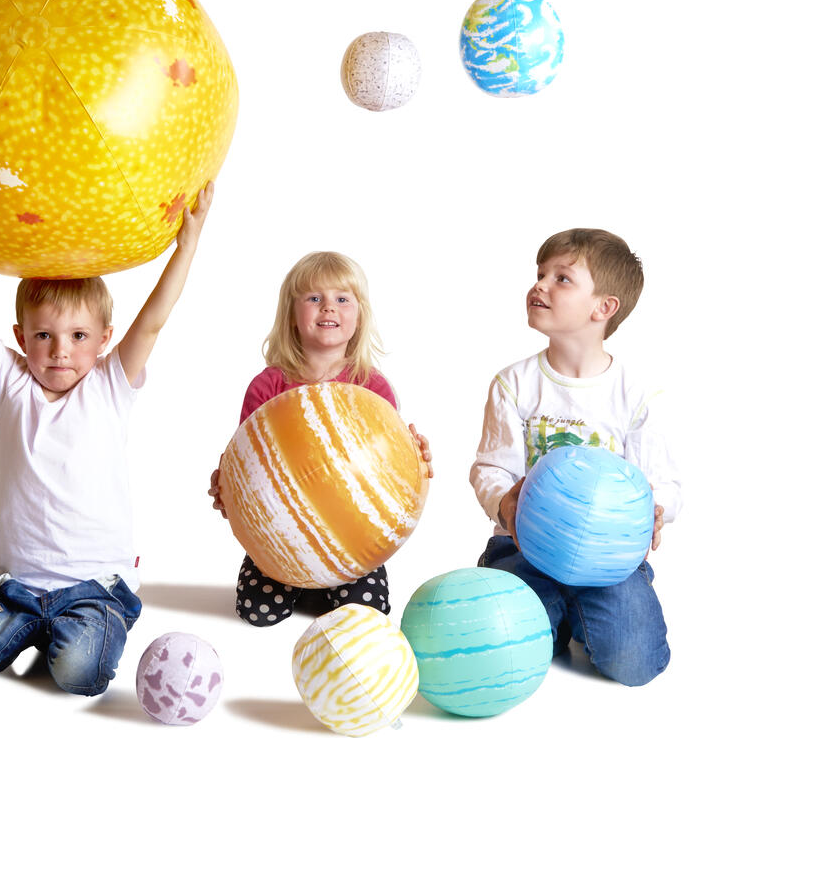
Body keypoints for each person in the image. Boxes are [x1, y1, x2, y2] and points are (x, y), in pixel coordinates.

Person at [0, 185, 214, 695]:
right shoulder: (9, 378)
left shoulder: (110, 384)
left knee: (79, 673)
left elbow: (153, 322)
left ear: (104, 338)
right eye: (44, 335)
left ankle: (39, 638)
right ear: (21, 337)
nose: (60, 351)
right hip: (16, 594)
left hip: (96, 591)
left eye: (78, 336)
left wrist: (187, 246)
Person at [470, 228, 680, 686]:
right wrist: (505, 503)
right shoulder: (514, 384)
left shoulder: (635, 395)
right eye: (540, 274)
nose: (540, 285)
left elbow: (664, 483)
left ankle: (575, 612)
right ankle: (553, 615)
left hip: (608, 560)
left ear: (603, 307)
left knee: (636, 664)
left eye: (561, 278)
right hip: (525, 548)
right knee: (501, 653)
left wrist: (656, 508)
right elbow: (491, 468)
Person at [208, 251, 432, 625]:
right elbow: (247, 463)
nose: (328, 307)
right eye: (314, 298)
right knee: (258, 612)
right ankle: (301, 586)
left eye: (342, 299)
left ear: (359, 317)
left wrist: (416, 458)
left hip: (353, 540)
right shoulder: (269, 386)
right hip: (280, 539)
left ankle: (327, 588)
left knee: (366, 614)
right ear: (291, 316)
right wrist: (229, 488)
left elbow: (387, 470)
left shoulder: (371, 387)